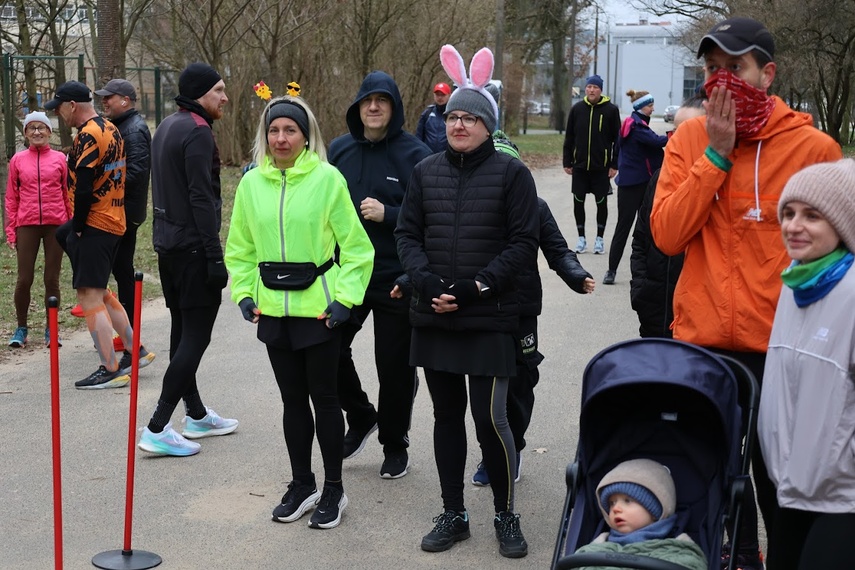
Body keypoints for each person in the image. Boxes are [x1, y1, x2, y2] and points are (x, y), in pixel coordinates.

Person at [649, 16, 843, 568]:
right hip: (704, 344)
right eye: (712, 69)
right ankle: (730, 556)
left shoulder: (814, 148)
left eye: (735, 67)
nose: (720, 80)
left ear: (767, 73)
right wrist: (715, 155)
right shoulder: (689, 138)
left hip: (785, 348)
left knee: (782, 485)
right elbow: (667, 234)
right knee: (704, 477)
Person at [396, 44, 537, 559]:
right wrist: (428, 284)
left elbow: (524, 244)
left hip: (489, 316)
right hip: (432, 314)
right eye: (452, 115)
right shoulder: (425, 171)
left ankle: (505, 512)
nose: (458, 124)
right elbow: (406, 235)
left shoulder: (512, 174)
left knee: (490, 420)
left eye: (469, 117)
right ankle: (453, 513)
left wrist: (477, 287)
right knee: (445, 416)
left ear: (487, 124)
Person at [225, 96, 374, 529]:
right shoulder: (252, 184)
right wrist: (245, 293)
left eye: (290, 130)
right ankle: (301, 483)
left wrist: (344, 300)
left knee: (325, 401)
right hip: (273, 311)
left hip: (319, 313)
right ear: (264, 136)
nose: (281, 138)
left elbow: (358, 250)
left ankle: (333, 489)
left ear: (305, 135)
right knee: (293, 402)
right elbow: (241, 249)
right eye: (274, 131)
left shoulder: (328, 180)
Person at [468, 120, 597, 486]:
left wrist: (576, 274)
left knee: (521, 383)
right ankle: (490, 454)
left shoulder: (536, 208)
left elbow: (558, 250)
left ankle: (515, 448)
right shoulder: (473, 207)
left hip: (523, 312)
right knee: (485, 388)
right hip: (482, 311)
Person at [328, 71, 431, 479]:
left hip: (396, 277)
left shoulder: (416, 155)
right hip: (347, 276)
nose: (373, 107)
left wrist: (389, 214)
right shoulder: (338, 150)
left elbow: (432, 216)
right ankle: (361, 415)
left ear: (394, 108)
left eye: (382, 101)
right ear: (358, 107)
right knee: (327, 348)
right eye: (367, 100)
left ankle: (394, 441)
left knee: (394, 369)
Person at [758, 159, 855, 570]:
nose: (794, 226)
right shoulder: (797, 282)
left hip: (844, 495)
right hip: (793, 484)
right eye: (789, 213)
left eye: (812, 215)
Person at [138, 63, 238, 457]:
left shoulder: (165, 126)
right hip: (194, 249)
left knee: (183, 332)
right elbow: (201, 196)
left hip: (168, 247)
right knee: (196, 336)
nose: (224, 97)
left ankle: (195, 414)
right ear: (200, 93)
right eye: (219, 90)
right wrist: (215, 255)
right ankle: (158, 426)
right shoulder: (197, 132)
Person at [46, 81, 134, 389]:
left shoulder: (87, 135)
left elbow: (83, 187)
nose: (59, 113)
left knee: (89, 295)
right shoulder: (110, 127)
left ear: (73, 105)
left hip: (95, 222)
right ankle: (136, 352)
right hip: (113, 218)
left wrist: (79, 228)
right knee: (101, 290)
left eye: (59, 107)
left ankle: (110, 367)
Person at [629, 93, 705, 338]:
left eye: (687, 132)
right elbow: (641, 238)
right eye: (674, 132)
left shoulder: (722, 185)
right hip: (653, 310)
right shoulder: (659, 178)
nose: (676, 140)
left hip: (697, 321)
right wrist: (640, 289)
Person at [93, 78, 156, 374]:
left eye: (110, 97)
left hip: (123, 214)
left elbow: (138, 173)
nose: (105, 102)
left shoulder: (135, 129)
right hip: (117, 210)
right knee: (120, 272)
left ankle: (133, 342)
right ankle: (129, 337)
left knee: (121, 273)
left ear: (126, 100)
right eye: (103, 98)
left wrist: (101, 184)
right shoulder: (122, 126)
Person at [5, 111, 69, 348]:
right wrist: (11, 230)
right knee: (24, 279)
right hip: (27, 224)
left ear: (49, 132)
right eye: (31, 128)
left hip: (56, 224)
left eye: (41, 128)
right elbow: (11, 198)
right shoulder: (18, 161)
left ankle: (51, 329)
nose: (37, 132)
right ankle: (21, 328)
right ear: (25, 134)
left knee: (51, 279)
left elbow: (67, 193)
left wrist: (72, 225)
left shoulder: (60, 159)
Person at [572, 459, 707, 570]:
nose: (616, 509)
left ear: (655, 510)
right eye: (612, 503)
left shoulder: (679, 548)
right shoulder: (597, 547)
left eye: (628, 501)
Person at [603, 90, 667, 285]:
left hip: (633, 183)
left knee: (629, 227)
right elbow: (657, 142)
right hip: (638, 184)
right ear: (641, 107)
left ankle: (612, 271)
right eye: (650, 105)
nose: (653, 108)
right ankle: (620, 271)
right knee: (641, 228)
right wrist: (677, 134)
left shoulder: (630, 124)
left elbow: (618, 148)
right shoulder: (637, 127)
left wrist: (616, 165)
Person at [563, 74, 620, 255]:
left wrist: (614, 164)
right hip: (579, 166)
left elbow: (617, 141)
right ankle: (581, 238)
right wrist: (567, 161)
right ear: (585, 89)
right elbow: (569, 137)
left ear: (600, 90)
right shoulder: (577, 109)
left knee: (601, 203)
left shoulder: (611, 110)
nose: (591, 90)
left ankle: (600, 239)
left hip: (600, 168)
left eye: (595, 87)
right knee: (578, 202)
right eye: (589, 87)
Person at [415, 82, 451, 153]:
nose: (440, 97)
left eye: (443, 95)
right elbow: (419, 136)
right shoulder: (427, 113)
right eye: (437, 95)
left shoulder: (453, 115)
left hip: (446, 157)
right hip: (427, 156)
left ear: (449, 95)